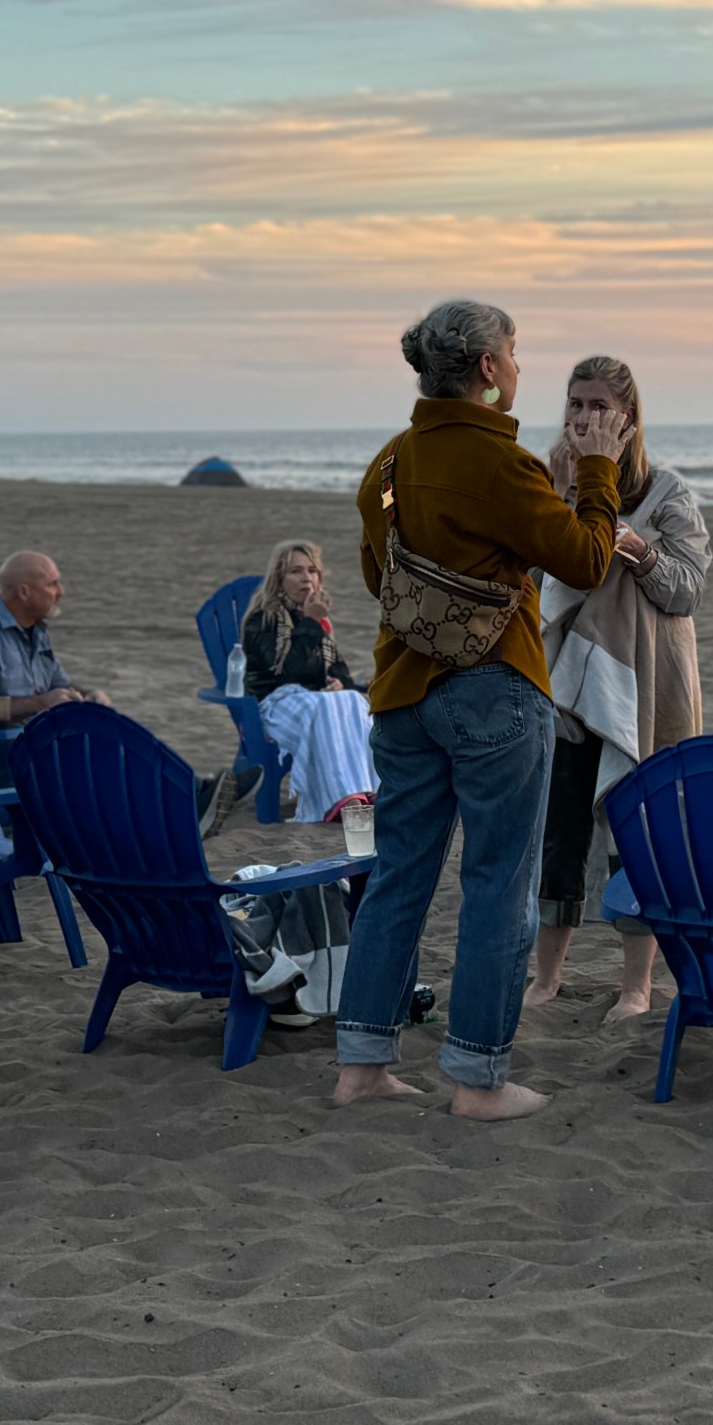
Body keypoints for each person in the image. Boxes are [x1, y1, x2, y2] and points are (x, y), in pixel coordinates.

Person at [334, 299, 630, 1122]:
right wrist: (597, 472)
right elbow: (586, 558)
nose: (521, 368)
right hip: (495, 686)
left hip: (401, 694)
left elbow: (377, 579)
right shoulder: (502, 467)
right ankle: (476, 1079)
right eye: (515, 353)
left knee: (398, 876)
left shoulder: (388, 465)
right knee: (500, 882)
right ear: (490, 369)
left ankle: (361, 1066)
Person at [523, 356, 710, 1023]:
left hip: (646, 690)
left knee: (638, 837)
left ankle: (636, 986)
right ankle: (547, 977)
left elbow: (687, 591)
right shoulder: (548, 482)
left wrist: (640, 552)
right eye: (576, 404)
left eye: (600, 406)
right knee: (559, 832)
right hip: (563, 689)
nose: (585, 417)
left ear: (629, 417)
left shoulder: (667, 493)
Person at [237, 538, 377, 821]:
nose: (306, 578)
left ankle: (371, 792)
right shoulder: (263, 619)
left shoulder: (318, 619)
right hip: (275, 706)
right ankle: (342, 799)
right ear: (279, 578)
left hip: (313, 704)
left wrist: (339, 683)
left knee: (351, 698)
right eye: (296, 571)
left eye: (312, 571)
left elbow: (338, 669)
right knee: (325, 705)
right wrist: (312, 623)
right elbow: (288, 672)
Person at [0, 551, 111, 736]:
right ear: (24, 592)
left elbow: (59, 687)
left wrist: (89, 696)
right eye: (52, 584)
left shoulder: (35, 630)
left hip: (31, 745)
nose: (60, 592)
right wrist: (39, 704)